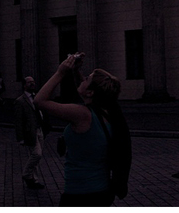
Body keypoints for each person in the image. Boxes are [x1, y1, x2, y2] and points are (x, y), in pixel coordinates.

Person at [37, 53, 131, 206]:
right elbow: (86, 89)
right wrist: (76, 71)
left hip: (80, 195)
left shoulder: (81, 114)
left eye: (87, 78)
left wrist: (61, 72)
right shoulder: (107, 111)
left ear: (90, 92)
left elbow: (40, 101)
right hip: (102, 192)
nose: (84, 78)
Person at [16, 75, 49, 190]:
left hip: (40, 129)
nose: (32, 84)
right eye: (29, 82)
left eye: (33, 82)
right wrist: (20, 137)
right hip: (30, 131)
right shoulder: (20, 101)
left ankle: (34, 180)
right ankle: (26, 175)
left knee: (37, 157)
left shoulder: (37, 97)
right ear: (24, 85)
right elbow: (18, 121)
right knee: (37, 154)